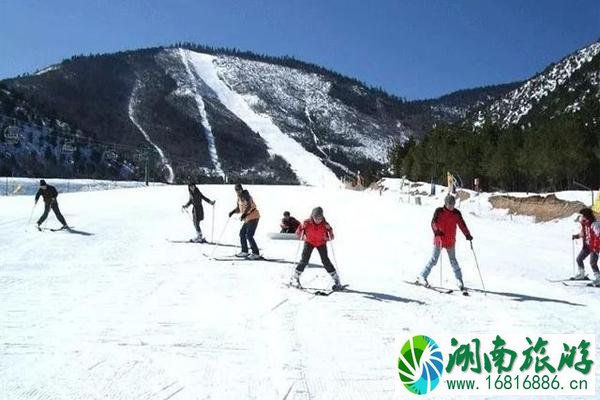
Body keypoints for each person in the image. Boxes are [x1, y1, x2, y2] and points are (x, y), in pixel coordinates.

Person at [417, 195, 473, 291]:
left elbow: (462, 224)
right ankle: (422, 276)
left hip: (450, 240)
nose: (452, 206)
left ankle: (459, 280)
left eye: (453, 204)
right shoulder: (439, 211)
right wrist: (436, 231)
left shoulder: (456, 213)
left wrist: (467, 234)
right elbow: (433, 223)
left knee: (453, 261)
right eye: (450, 204)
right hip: (439, 240)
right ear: (446, 203)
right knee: (434, 259)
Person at [291, 207, 343, 290]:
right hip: (309, 242)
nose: (318, 220)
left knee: (325, 260)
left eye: (320, 218)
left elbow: (332, 237)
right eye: (316, 218)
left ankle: (336, 279)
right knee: (304, 260)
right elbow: (297, 233)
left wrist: (329, 231)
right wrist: (302, 232)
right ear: (312, 216)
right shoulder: (306, 223)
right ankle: (295, 277)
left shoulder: (325, 224)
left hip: (321, 243)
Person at [228, 183, 261, 259]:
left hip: (253, 217)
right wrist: (232, 212)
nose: (237, 191)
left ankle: (256, 253)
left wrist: (244, 214)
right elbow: (239, 208)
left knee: (249, 235)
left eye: (238, 189)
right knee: (242, 233)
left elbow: (249, 206)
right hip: (247, 218)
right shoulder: (239, 197)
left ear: (241, 189)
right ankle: (244, 251)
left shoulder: (246, 195)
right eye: (236, 190)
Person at [572, 208, 600, 284]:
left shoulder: (594, 224)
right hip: (587, 246)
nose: (581, 217)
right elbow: (583, 233)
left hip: (594, 246)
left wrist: (595, 246)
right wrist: (577, 236)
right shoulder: (584, 224)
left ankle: (598, 279)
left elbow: (598, 236)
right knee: (579, 259)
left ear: (586, 216)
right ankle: (581, 274)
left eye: (582, 215)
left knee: (593, 263)